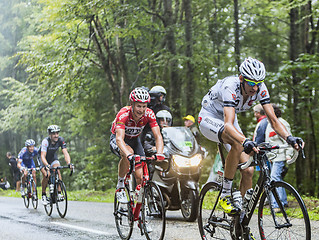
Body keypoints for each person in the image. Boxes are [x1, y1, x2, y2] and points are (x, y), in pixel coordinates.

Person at [198, 57, 303, 218]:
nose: (255, 88)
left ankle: (241, 222)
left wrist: (289, 138)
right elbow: (228, 125)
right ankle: (225, 193)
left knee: (248, 170)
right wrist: (244, 140)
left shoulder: (260, 87)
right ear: (241, 79)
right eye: (251, 83)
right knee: (238, 143)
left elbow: (274, 120)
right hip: (210, 117)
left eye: (258, 83)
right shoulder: (230, 86)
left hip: (230, 120)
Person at [110, 87, 165, 203]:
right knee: (127, 154)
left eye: (144, 106)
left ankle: (138, 204)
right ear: (132, 104)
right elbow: (119, 139)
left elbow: (158, 136)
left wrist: (160, 153)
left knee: (140, 177)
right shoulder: (123, 114)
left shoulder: (149, 114)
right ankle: (120, 187)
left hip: (135, 140)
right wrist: (128, 155)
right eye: (138, 106)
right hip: (119, 139)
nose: (141, 110)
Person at [265, 104, 293, 212]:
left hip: (281, 156)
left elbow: (288, 140)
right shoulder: (269, 124)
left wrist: (288, 155)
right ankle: (283, 202)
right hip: (273, 157)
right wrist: (269, 156)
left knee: (274, 178)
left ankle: (278, 204)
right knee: (276, 178)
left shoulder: (282, 123)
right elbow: (269, 142)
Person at [38, 125, 73, 205]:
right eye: (54, 134)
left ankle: (59, 193)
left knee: (57, 169)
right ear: (50, 134)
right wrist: (46, 165)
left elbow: (65, 153)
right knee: (47, 174)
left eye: (57, 133)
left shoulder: (61, 140)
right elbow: (42, 156)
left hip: (53, 157)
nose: (56, 135)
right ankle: (43, 195)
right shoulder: (45, 141)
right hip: (43, 158)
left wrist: (69, 163)